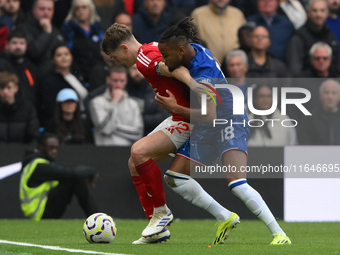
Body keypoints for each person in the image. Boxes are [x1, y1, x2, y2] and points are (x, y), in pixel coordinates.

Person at [156, 17, 291, 245]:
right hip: (210, 126)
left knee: (236, 183)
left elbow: (210, 115)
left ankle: (280, 234)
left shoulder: (203, 74)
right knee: (175, 178)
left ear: (180, 50)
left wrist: (174, 108)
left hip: (230, 119)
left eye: (166, 55)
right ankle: (224, 216)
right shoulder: (195, 49)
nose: (164, 60)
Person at [101, 22, 193, 244]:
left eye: (115, 57)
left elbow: (174, 69)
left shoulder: (144, 59)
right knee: (134, 162)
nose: (117, 63)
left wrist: (195, 85)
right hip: (178, 117)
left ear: (124, 48)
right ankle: (156, 226)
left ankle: (161, 213)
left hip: (189, 120)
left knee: (138, 151)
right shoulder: (150, 48)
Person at [19, 132, 98, 220]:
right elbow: (69, 171)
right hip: (39, 213)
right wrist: (91, 171)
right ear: (41, 147)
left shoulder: (37, 163)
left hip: (39, 211)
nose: (54, 151)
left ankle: (95, 217)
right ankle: (96, 218)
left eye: (56, 148)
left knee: (71, 177)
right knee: (75, 179)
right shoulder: (39, 166)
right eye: (51, 148)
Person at [89, 65, 144, 146]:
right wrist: (114, 102)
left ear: (126, 81)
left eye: (122, 81)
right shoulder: (97, 102)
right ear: (108, 80)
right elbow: (105, 129)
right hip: (103, 152)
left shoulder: (133, 104)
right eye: (115, 80)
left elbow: (138, 133)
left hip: (127, 152)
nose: (118, 85)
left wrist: (113, 127)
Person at [286, 0, 340, 77]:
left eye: (322, 10)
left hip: (329, 84)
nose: (319, 14)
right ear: (308, 13)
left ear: (327, 13)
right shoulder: (298, 37)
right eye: (314, 10)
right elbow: (294, 70)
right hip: (306, 84)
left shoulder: (330, 35)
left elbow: (337, 65)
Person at [38, 45, 88, 127]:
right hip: (63, 124)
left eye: (66, 54)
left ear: (71, 57)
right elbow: (49, 107)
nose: (63, 57)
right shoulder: (48, 81)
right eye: (59, 55)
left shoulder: (77, 75)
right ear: (53, 60)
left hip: (82, 120)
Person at [61, 0, 104, 84]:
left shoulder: (98, 29)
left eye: (84, 7)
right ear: (73, 11)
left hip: (97, 73)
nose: (81, 11)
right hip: (76, 73)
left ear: (90, 9)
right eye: (77, 8)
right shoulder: (68, 30)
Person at [18, 0, 65, 76]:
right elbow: (33, 53)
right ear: (34, 9)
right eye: (42, 9)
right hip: (34, 76)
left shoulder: (55, 30)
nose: (46, 13)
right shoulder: (23, 28)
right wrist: (46, 32)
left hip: (56, 76)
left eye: (49, 9)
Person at [0, 29, 39, 106]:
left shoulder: (31, 68)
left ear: (26, 45)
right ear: (7, 45)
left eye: (22, 43)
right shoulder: (1, 65)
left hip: (29, 111)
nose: (18, 46)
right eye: (14, 43)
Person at [0, 71, 39, 143]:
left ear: (16, 88)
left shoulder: (27, 108)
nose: (5, 91)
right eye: (2, 88)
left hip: (20, 151)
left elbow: (33, 136)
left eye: (9, 87)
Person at [298, 79, 340, 144]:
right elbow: (305, 142)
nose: (330, 96)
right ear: (320, 96)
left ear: (339, 97)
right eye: (326, 92)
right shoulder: (310, 118)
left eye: (334, 93)